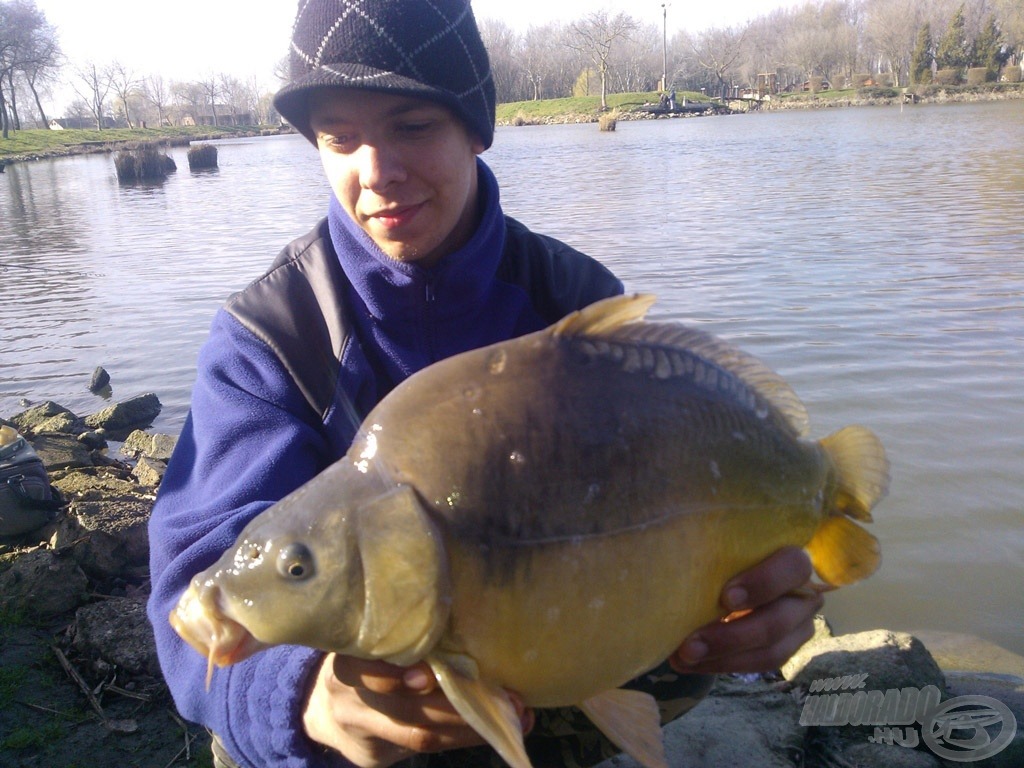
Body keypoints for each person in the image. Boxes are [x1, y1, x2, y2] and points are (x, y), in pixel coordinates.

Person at [146, 2, 824, 767]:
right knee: (262, 726)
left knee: (671, 650)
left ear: (475, 127)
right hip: (356, 704)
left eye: (411, 127)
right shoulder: (268, 336)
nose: (376, 172)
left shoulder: (571, 301)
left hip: (554, 669)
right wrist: (304, 699)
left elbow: (684, 485)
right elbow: (188, 591)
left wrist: (759, 604)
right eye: (340, 136)